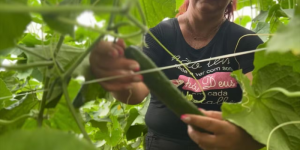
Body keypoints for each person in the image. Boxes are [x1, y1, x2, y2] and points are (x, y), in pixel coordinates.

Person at [90, 0, 264, 149]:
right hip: (162, 144)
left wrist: (246, 139)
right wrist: (116, 77)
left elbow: (262, 105)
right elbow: (135, 93)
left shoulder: (245, 41)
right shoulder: (160, 35)